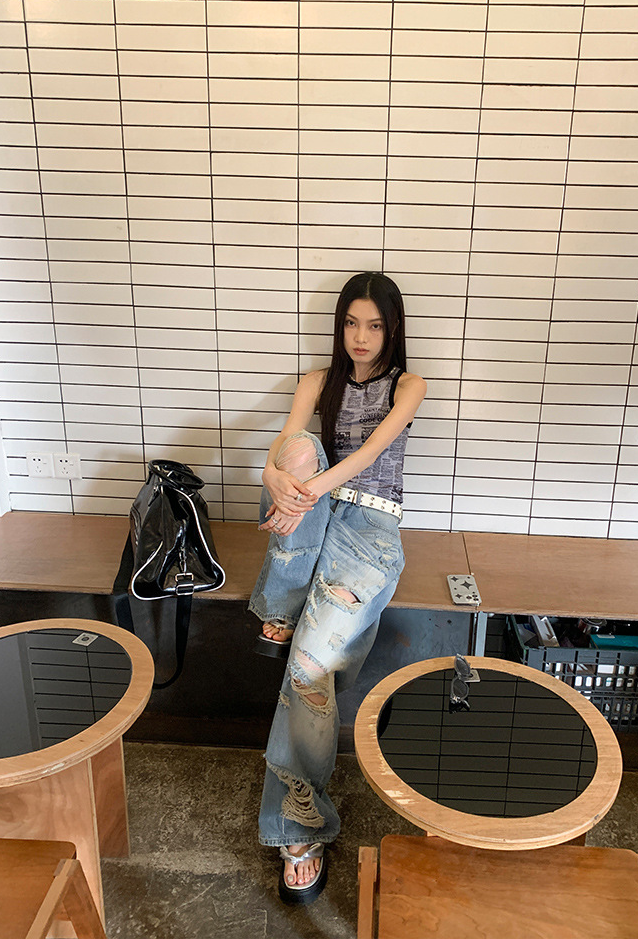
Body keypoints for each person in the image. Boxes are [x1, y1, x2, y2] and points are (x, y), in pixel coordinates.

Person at [247, 271, 427, 905]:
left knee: (307, 671)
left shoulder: (408, 385)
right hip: (310, 514)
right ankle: (283, 604)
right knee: (297, 448)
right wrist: (273, 478)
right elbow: (283, 449)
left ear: (392, 328)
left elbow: (369, 453)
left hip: (368, 531)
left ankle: (300, 824)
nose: (361, 337)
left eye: (374, 325)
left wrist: (302, 492)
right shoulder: (315, 382)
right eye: (351, 322)